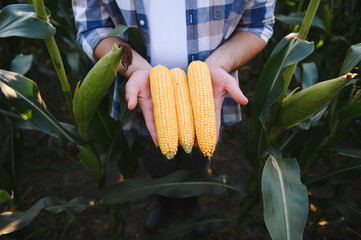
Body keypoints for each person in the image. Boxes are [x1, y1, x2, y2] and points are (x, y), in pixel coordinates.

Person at [72, 0, 276, 233]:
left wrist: (219, 64)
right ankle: (162, 196)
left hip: (210, 88)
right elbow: (93, 28)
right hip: (142, 89)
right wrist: (137, 69)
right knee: (154, 153)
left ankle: (191, 196)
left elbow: (258, 24)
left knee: (198, 155)